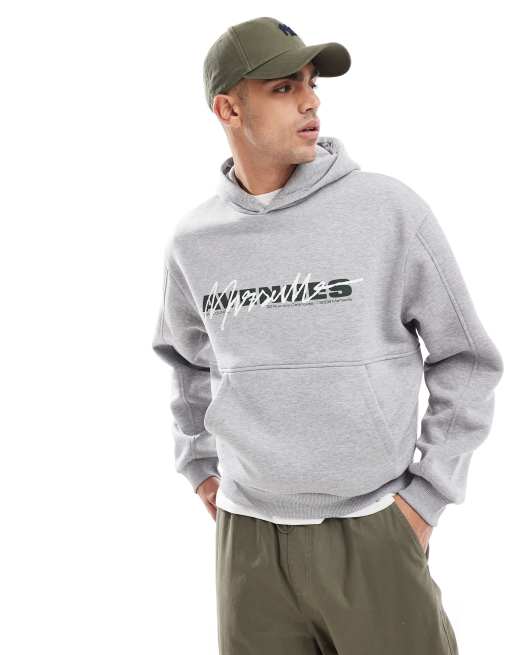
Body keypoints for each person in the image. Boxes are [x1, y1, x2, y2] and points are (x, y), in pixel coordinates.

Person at [152, 16, 504, 654]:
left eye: (311, 84)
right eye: (284, 88)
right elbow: (186, 363)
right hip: (246, 539)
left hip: (372, 528)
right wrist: (200, 467)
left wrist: (426, 498)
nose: (311, 101)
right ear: (228, 109)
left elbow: (466, 360)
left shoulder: (387, 210)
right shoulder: (194, 241)